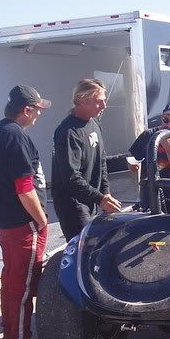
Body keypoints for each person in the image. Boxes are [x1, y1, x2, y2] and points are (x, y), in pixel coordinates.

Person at [0, 85, 51, 339]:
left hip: (4, 220)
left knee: (11, 280)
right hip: (22, 223)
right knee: (23, 285)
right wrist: (41, 220)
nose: (39, 114)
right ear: (27, 109)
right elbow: (24, 187)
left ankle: (10, 337)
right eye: (37, 109)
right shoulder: (16, 136)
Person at [51, 79, 122, 242]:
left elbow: (101, 161)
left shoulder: (95, 122)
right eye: (99, 101)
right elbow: (71, 177)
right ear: (83, 100)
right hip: (73, 204)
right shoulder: (68, 132)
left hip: (91, 199)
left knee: (98, 243)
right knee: (83, 247)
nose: (104, 106)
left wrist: (105, 192)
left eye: (104, 100)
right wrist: (100, 198)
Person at [128, 101, 170, 184]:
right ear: (162, 117)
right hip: (150, 187)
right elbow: (132, 157)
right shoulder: (148, 135)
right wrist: (132, 165)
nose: (168, 125)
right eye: (166, 120)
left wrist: (168, 148)